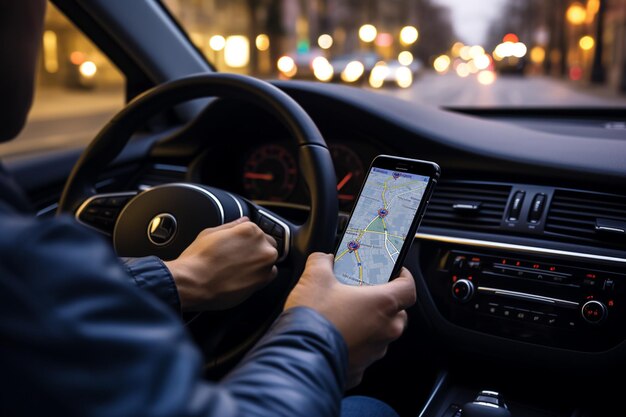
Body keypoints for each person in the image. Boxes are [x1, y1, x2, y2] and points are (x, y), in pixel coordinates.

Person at [0, 2, 417, 417]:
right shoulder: (19, 264)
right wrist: (324, 336)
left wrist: (179, 277)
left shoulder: (21, 269)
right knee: (371, 408)